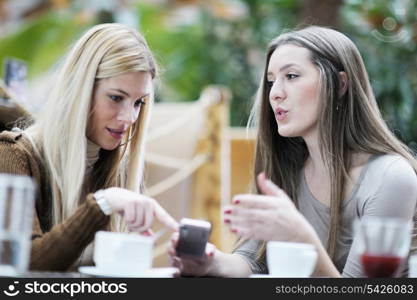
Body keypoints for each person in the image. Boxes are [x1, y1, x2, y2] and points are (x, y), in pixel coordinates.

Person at [168, 26, 417, 277]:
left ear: (341, 84)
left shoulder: (390, 178)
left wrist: (299, 236)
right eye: (270, 81)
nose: (275, 93)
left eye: (292, 76)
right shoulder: (287, 168)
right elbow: (252, 260)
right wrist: (210, 262)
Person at [0, 23, 178, 272]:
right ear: (80, 90)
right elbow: (24, 267)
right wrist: (102, 204)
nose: (129, 118)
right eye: (116, 98)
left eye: (138, 103)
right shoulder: (13, 156)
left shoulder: (119, 170)